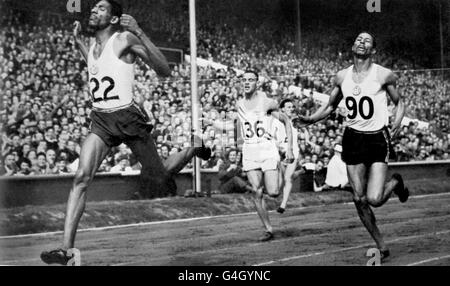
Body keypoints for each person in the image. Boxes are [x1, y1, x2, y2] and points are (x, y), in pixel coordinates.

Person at [40, 0, 210, 265]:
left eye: (100, 8)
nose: (93, 11)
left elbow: (164, 70)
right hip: (101, 120)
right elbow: (97, 68)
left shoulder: (124, 38)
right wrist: (78, 43)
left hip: (128, 117)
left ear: (114, 18)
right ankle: (66, 250)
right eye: (93, 8)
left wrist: (140, 32)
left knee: (160, 177)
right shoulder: (94, 46)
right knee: (81, 178)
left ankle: (192, 148)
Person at [295, 32, 409, 261]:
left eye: (367, 40)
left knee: (375, 199)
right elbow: (330, 106)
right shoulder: (341, 76)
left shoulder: (383, 74)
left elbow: (399, 102)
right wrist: (310, 119)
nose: (361, 42)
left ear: (373, 50)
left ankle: (395, 182)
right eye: (358, 39)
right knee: (359, 199)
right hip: (353, 138)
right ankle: (381, 244)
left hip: (377, 138)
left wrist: (396, 122)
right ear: (352, 45)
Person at [205, 70, 294, 241]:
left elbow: (286, 121)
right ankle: (268, 229)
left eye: (250, 80)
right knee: (257, 191)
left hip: (267, 148)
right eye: (244, 80)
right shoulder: (239, 104)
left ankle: (280, 170)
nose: (246, 83)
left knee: (274, 192)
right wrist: (213, 123)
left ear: (256, 83)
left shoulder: (267, 101)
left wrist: (289, 148)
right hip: (250, 150)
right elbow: (235, 125)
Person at [276, 99, 301, 213]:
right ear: (282, 109)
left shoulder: (295, 122)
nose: (291, 109)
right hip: (280, 154)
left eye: (292, 107)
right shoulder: (276, 122)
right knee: (280, 180)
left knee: (287, 178)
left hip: (293, 153)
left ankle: (283, 205)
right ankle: (301, 172)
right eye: (288, 107)